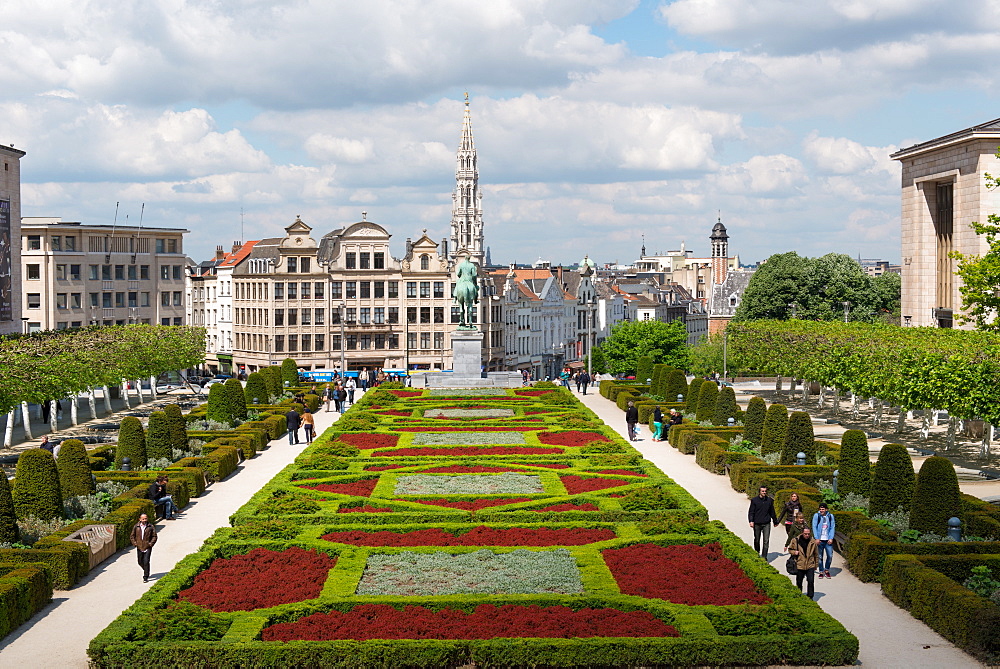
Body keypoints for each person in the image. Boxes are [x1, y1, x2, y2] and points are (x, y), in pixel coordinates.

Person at [786, 526, 819, 599]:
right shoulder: (795, 540)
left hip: (810, 564)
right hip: (799, 564)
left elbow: (816, 554)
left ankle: (810, 597)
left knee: (811, 581)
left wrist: (816, 565)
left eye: (808, 534)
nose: (807, 535)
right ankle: (799, 596)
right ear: (802, 533)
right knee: (799, 582)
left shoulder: (813, 542)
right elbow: (790, 549)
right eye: (805, 534)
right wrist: (794, 552)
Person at [747, 486, 779, 559]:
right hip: (757, 523)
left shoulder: (769, 501)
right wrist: (751, 521)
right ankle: (757, 552)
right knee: (757, 539)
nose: (764, 492)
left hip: (766, 523)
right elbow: (751, 512)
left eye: (765, 491)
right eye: (763, 491)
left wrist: (775, 521)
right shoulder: (754, 500)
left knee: (766, 541)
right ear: (759, 492)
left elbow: (772, 512)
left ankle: (764, 557)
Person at [130, 513, 157, 582]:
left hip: (147, 547)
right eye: (143, 519)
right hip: (139, 547)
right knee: (140, 561)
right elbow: (132, 536)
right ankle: (146, 569)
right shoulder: (136, 527)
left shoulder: (150, 526)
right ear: (140, 519)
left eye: (146, 518)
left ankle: (145, 576)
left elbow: (154, 536)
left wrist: (150, 544)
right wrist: (135, 544)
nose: (144, 520)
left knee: (146, 561)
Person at [812, 503, 837, 579]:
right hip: (820, 539)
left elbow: (832, 527)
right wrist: (816, 538)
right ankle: (821, 571)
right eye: (820, 509)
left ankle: (827, 570)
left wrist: (831, 537)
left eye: (823, 509)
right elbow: (814, 527)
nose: (821, 510)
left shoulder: (830, 516)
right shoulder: (817, 516)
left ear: (826, 509)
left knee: (830, 555)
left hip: (828, 539)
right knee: (820, 557)